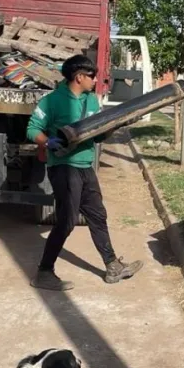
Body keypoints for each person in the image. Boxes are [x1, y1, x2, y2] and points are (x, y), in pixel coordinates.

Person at [26, 54, 143, 291]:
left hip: (85, 166)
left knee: (97, 215)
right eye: (92, 76)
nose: (95, 81)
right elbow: (32, 129)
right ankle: (44, 273)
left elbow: (98, 134)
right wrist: (48, 143)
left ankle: (112, 266)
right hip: (63, 168)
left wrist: (113, 126)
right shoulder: (52, 101)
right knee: (66, 221)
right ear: (79, 77)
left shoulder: (91, 101)